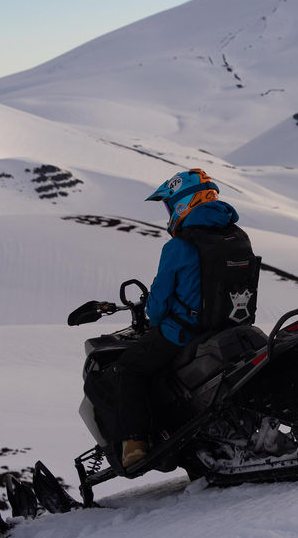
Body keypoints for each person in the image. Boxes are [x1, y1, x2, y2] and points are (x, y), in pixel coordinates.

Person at [84, 168, 253, 469]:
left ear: (184, 203)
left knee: (128, 369)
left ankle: (135, 443)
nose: (168, 212)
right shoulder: (237, 235)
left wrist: (155, 309)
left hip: (185, 333)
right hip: (231, 327)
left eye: (169, 204)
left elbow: (158, 308)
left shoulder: (179, 246)